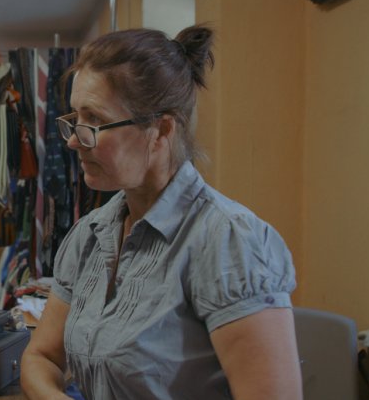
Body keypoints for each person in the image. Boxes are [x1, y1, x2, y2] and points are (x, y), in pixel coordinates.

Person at [20, 25, 301, 400]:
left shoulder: (229, 244)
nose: (74, 139)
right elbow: (41, 357)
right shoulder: (89, 236)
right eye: (75, 118)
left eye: (94, 120)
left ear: (162, 130)